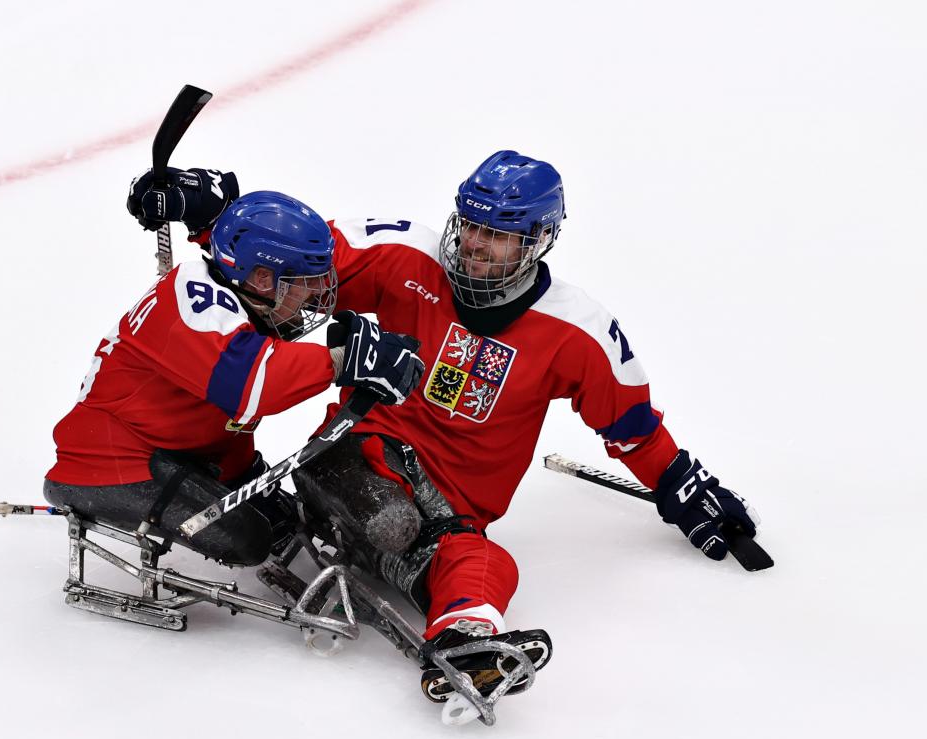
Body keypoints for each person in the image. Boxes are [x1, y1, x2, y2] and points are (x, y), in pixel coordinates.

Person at [127, 153, 762, 706]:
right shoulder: (406, 255)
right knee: (387, 514)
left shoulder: (579, 331)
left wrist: (682, 486)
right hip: (357, 448)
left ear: (539, 239)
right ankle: (337, 509)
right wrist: (214, 214)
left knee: (485, 560)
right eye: (472, 226)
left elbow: (632, 428)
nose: (476, 245)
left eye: (499, 236)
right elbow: (294, 262)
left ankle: (465, 641)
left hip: (451, 511)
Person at [45, 170, 424, 566]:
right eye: (305, 281)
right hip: (112, 461)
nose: (315, 293)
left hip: (188, 447)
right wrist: (344, 361)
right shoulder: (195, 302)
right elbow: (252, 382)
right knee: (250, 540)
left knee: (283, 522)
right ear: (261, 278)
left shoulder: (239, 286)